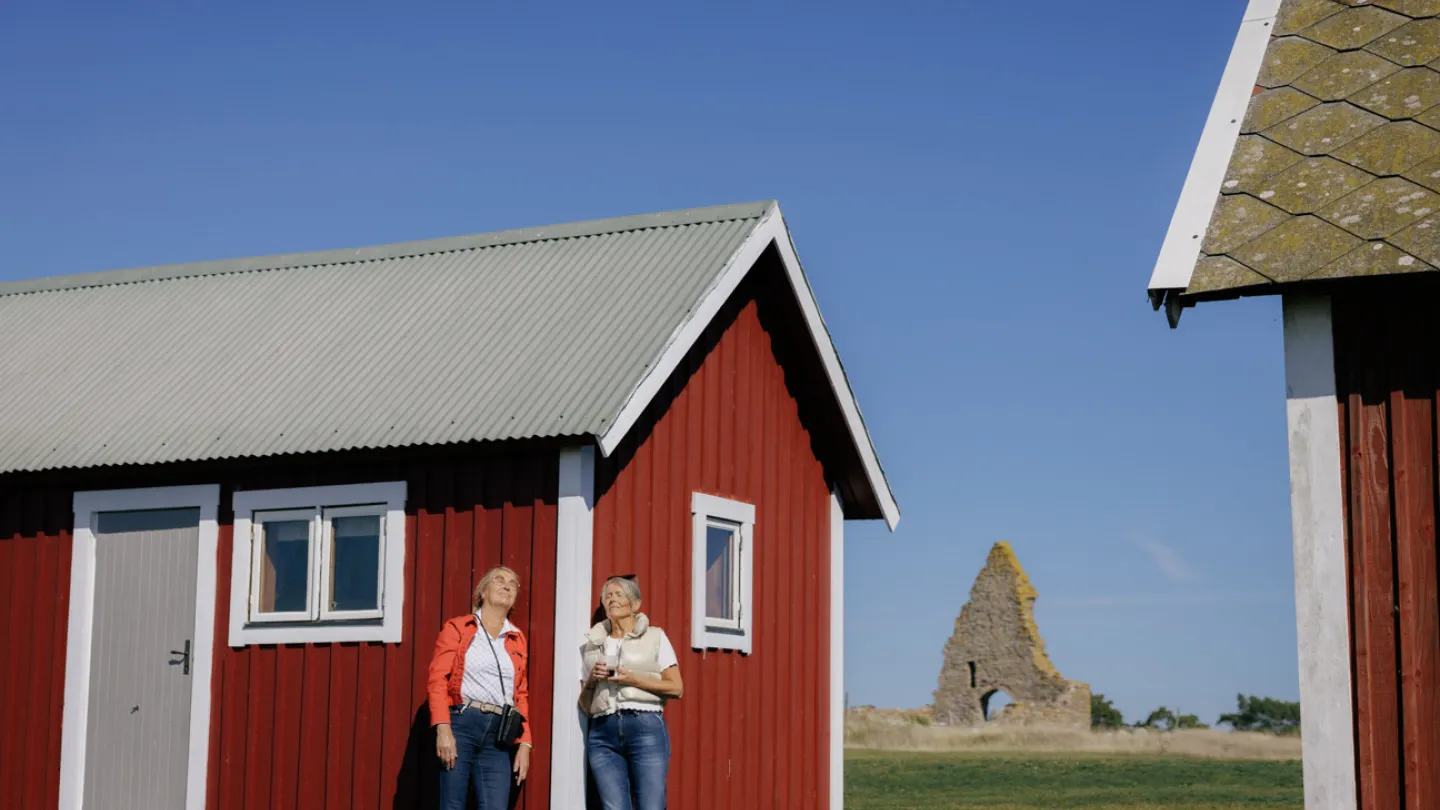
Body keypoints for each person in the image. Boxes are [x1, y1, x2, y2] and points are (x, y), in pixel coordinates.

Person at [427, 566, 532, 810]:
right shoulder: (458, 628)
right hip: (461, 724)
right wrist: (443, 728)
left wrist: (525, 743)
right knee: (453, 805)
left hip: (499, 735)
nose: (507, 585)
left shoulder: (517, 637)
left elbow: (521, 694)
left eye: (513, 584)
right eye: (499, 580)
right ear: (483, 592)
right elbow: (437, 680)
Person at [580, 576, 684, 810]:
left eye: (619, 594)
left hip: (644, 726)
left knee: (651, 806)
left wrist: (632, 679)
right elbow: (585, 705)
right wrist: (592, 681)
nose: (612, 598)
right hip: (602, 732)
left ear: (635, 605)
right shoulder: (593, 644)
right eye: (607, 595)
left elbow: (676, 688)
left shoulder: (655, 637)